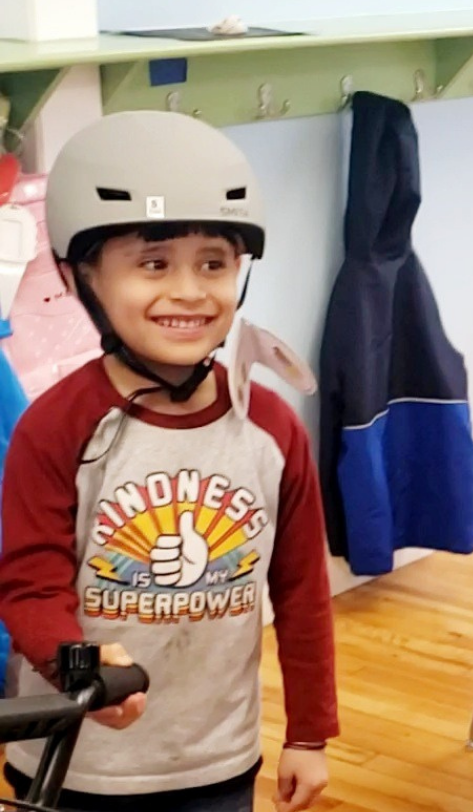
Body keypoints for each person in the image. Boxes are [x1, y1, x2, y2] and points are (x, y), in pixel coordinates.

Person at [0, 111, 338, 812]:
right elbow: (29, 586)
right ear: (80, 275)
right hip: (73, 760)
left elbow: (303, 593)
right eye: (154, 264)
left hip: (213, 759)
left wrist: (309, 732)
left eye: (214, 263)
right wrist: (79, 666)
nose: (190, 290)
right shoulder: (56, 429)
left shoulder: (270, 429)